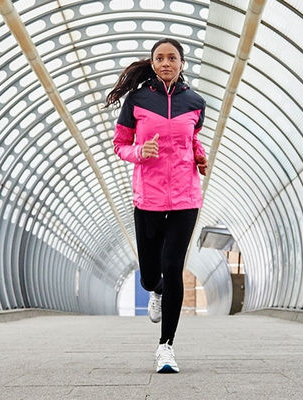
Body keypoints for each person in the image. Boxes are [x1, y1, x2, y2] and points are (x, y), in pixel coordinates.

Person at [106, 37, 208, 374]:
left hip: (185, 198)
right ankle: (156, 289)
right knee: (150, 274)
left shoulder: (195, 102)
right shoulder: (136, 100)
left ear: (182, 63)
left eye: (172, 58)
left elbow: (192, 137)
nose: (166, 63)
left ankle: (166, 347)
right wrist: (139, 153)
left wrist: (199, 154)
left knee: (173, 265)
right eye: (160, 58)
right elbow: (121, 144)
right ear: (152, 64)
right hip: (147, 198)